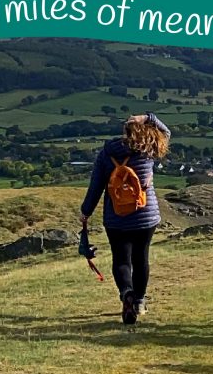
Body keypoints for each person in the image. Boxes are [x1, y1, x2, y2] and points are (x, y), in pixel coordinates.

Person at [80, 112, 170, 324]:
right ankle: (138, 301)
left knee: (121, 260)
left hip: (116, 217)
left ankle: (126, 294)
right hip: (145, 216)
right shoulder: (148, 150)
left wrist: (85, 212)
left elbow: (96, 187)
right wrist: (148, 117)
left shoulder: (106, 154)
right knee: (141, 259)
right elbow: (166, 131)